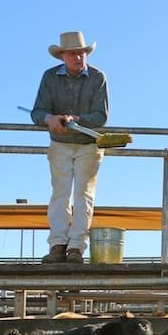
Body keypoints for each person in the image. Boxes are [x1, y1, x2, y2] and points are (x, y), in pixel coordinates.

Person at [30, 31, 109, 265]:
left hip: (89, 144)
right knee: (60, 193)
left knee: (83, 195)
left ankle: (76, 247)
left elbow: (101, 116)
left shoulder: (98, 77)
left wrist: (73, 119)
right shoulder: (49, 77)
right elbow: (37, 112)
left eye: (82, 53)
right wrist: (49, 119)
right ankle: (58, 244)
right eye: (74, 53)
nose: (79, 57)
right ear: (63, 56)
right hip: (61, 144)